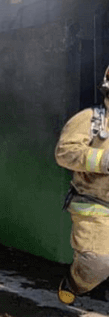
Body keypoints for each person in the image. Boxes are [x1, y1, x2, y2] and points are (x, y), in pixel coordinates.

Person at [56, 65, 109, 304]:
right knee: (97, 263)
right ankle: (74, 282)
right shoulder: (90, 119)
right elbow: (64, 153)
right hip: (95, 204)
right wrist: (104, 160)